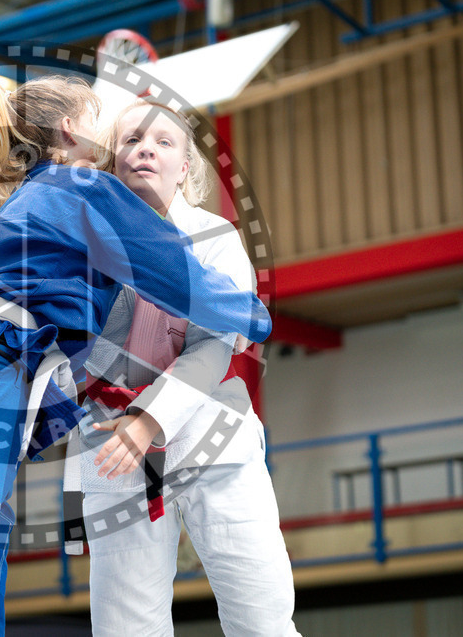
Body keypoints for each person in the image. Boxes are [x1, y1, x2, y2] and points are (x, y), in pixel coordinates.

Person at [0, 77, 272, 636]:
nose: (132, 143)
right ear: (73, 129)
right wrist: (255, 317)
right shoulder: (80, 190)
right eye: (108, 123)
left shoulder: (40, 200)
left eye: (163, 142)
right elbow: (179, 276)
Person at [75, 100, 300, 637]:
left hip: (208, 426)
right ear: (110, 163)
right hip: (109, 435)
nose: (146, 148)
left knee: (260, 610)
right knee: (123, 623)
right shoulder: (81, 242)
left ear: (185, 168)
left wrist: (149, 419)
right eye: (130, 140)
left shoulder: (215, 237)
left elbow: (214, 345)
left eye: (163, 142)